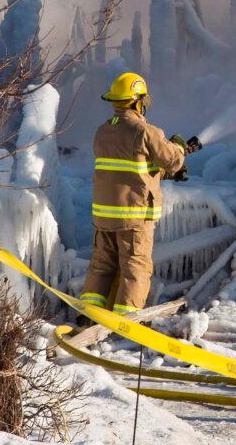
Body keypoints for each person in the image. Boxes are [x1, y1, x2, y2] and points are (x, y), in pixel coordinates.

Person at [80, 72, 200, 315]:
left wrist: (158, 172)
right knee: (136, 266)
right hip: (134, 215)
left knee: (102, 264)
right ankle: (126, 320)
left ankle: (88, 314)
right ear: (136, 101)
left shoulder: (102, 132)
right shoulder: (145, 131)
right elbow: (173, 160)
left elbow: (130, 168)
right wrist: (178, 147)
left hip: (104, 215)